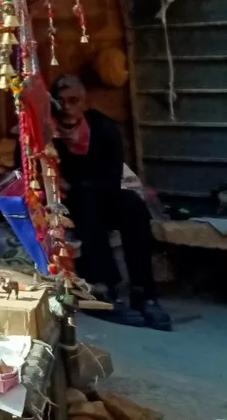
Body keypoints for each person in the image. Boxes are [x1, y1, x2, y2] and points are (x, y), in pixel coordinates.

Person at [51, 72, 170, 330]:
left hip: (100, 193)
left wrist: (77, 184)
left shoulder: (103, 128)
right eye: (62, 102)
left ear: (84, 102)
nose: (68, 107)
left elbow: (112, 176)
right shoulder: (47, 132)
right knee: (87, 205)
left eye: (74, 100)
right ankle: (106, 289)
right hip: (68, 203)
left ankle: (143, 292)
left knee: (134, 207)